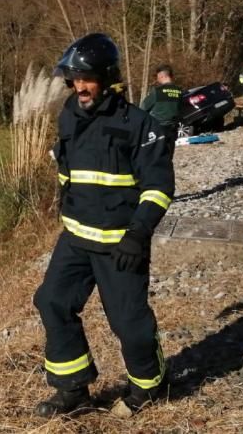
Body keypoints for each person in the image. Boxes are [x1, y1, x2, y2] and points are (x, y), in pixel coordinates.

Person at [33, 33, 174, 417]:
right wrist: (66, 205)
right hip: (76, 240)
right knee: (51, 301)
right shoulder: (69, 116)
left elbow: (159, 188)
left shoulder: (142, 125)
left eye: (87, 78)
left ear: (109, 77)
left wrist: (138, 234)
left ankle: (147, 387)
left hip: (121, 246)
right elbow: (67, 170)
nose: (80, 86)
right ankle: (73, 391)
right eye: (75, 79)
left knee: (130, 325)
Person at [139, 65, 183, 156]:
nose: (157, 80)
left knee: (156, 157)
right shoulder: (180, 92)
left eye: (158, 78)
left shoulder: (157, 91)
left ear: (162, 76)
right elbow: (181, 111)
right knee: (169, 157)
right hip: (172, 129)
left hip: (158, 129)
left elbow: (143, 108)